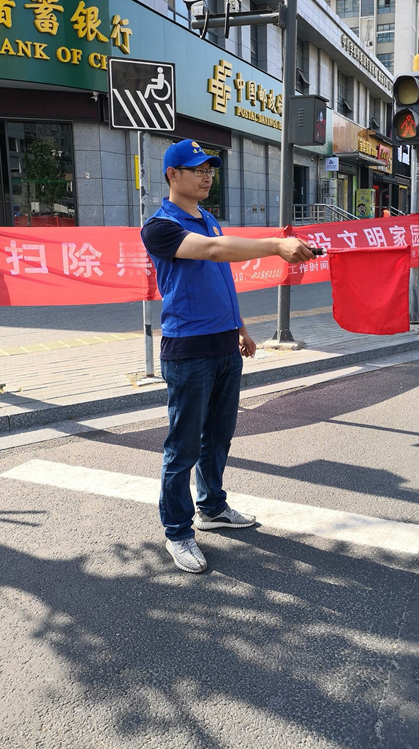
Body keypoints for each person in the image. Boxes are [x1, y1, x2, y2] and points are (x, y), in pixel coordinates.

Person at [141, 139, 313, 574]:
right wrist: (275, 245)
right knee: (183, 447)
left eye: (210, 170)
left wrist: (241, 328)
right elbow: (213, 252)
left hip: (224, 345)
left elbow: (220, 277)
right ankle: (178, 532)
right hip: (188, 349)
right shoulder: (160, 226)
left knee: (218, 436)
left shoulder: (209, 218)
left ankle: (212, 507)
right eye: (197, 169)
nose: (206, 177)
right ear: (172, 174)